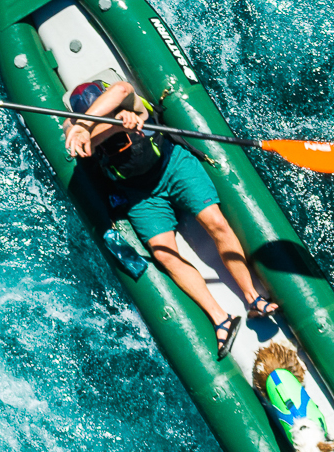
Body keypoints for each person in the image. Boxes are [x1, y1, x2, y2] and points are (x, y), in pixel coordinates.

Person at [63, 77, 279, 357]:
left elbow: (121, 90)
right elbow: (78, 138)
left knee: (215, 222)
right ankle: (219, 317)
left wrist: (104, 121)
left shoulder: (126, 101)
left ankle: (253, 297)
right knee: (164, 254)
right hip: (140, 194)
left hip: (173, 165)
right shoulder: (75, 127)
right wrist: (91, 126)